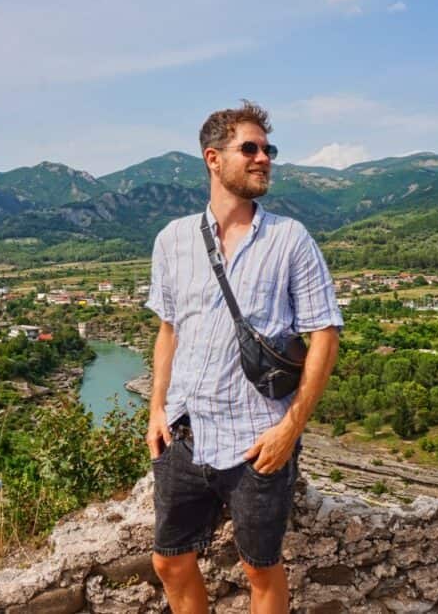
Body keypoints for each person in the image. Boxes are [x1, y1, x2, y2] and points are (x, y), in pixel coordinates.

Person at [145, 101, 343, 614]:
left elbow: (325, 335)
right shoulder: (172, 240)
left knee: (259, 568)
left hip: (259, 440)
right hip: (185, 435)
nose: (264, 159)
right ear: (213, 158)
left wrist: (290, 429)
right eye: (249, 149)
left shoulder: (289, 239)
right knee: (169, 560)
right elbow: (168, 330)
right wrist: (155, 411)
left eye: (267, 149)